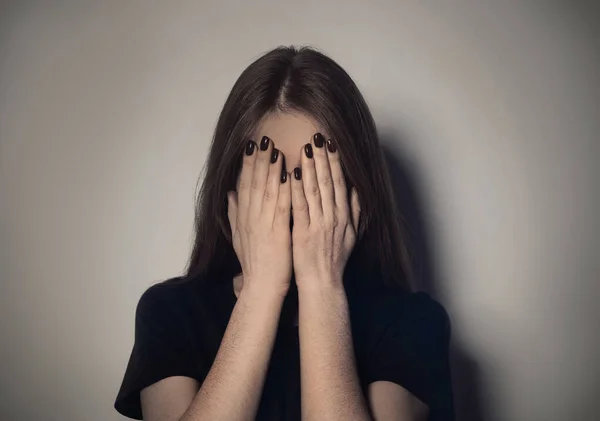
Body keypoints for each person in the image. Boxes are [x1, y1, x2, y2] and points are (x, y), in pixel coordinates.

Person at [114, 46, 454, 421]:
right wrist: (261, 288)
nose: (296, 202)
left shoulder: (411, 323)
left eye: (316, 179)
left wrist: (321, 286)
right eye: (273, 178)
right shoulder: (170, 313)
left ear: (358, 188)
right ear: (232, 189)